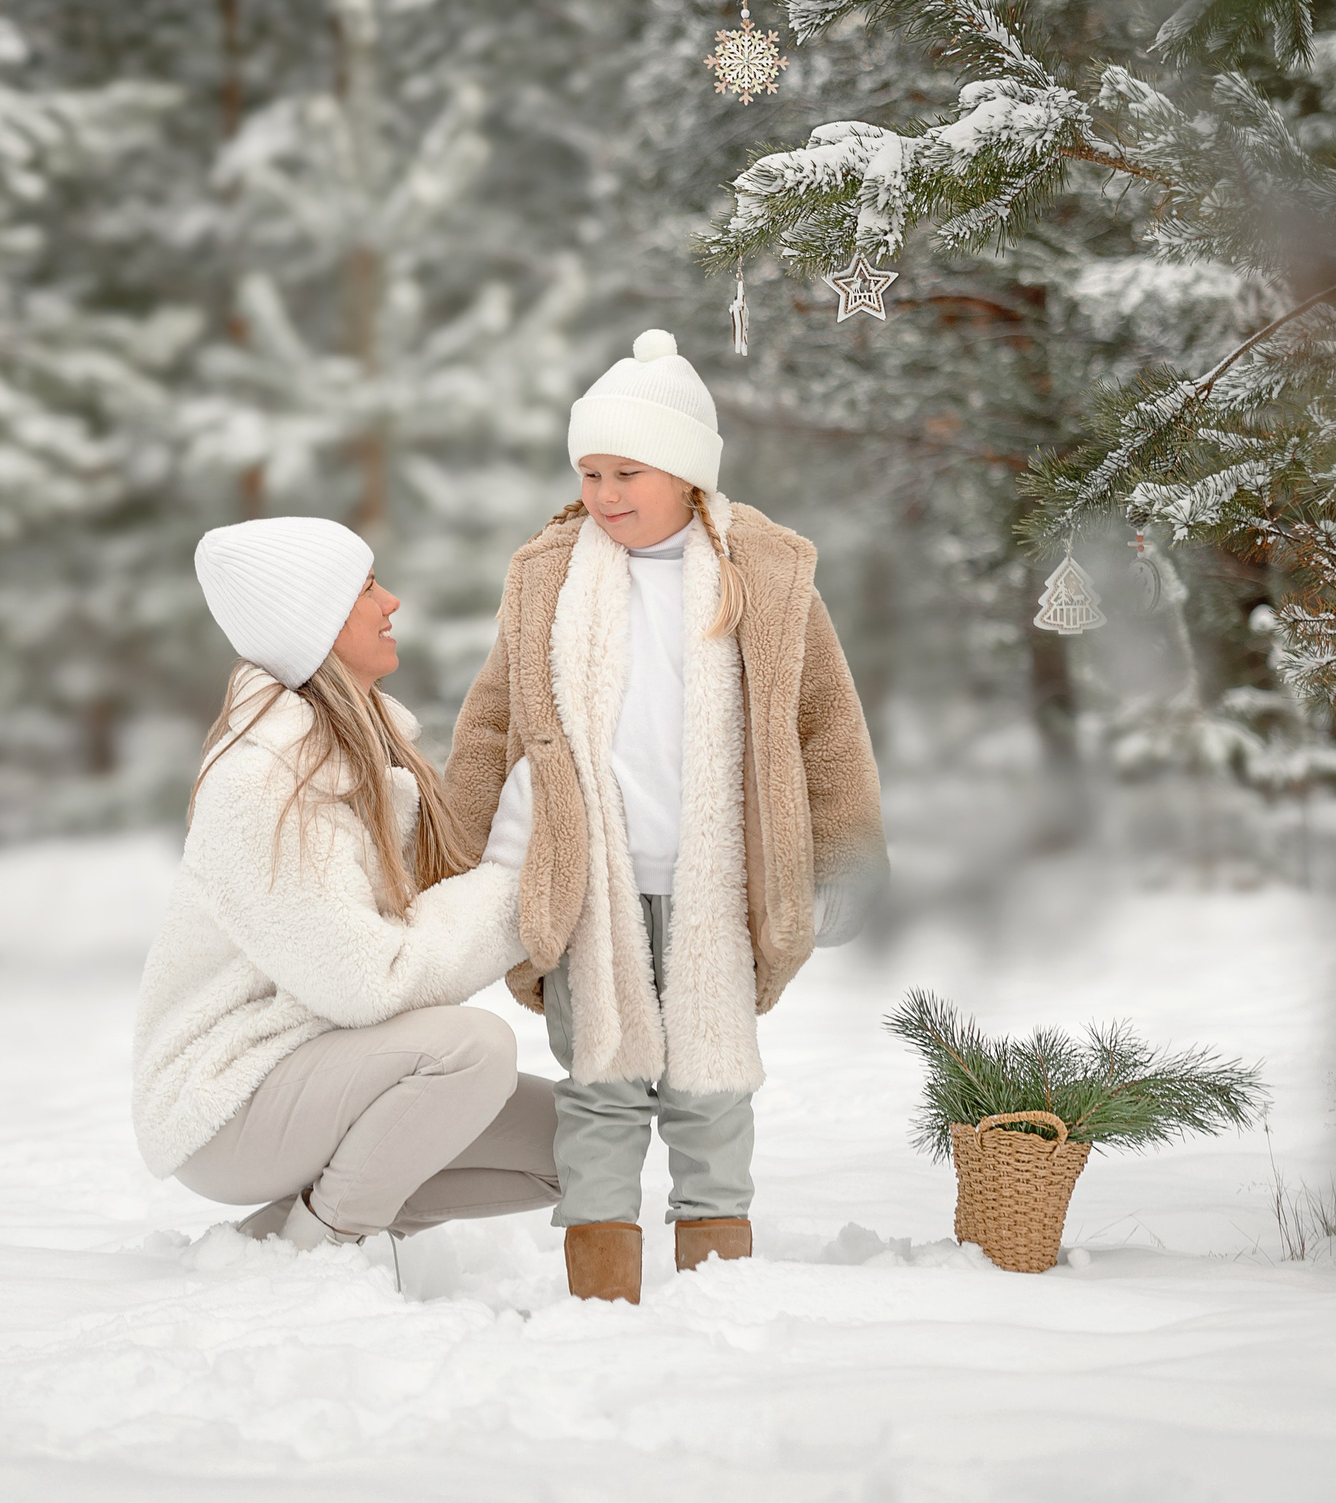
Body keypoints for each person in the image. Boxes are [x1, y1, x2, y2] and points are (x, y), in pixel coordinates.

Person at [443, 329, 887, 1302]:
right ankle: (602, 1292)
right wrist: (455, 848)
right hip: (589, 881)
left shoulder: (763, 576)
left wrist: (847, 856)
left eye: (625, 471)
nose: (603, 493)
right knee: (597, 1087)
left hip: (713, 881)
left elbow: (825, 726)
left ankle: (715, 1281)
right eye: (589, 470)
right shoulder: (549, 573)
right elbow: (491, 721)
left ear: (684, 471)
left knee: (709, 1088)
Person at [132, 516, 556, 1253]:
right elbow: (367, 978)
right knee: (470, 1048)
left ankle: (276, 1242)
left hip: (310, 1065)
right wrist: (510, 889)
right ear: (317, 620)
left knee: (579, 1145)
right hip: (225, 1097)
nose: (391, 602)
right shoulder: (263, 781)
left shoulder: (355, 754)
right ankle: (323, 1251)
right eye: (365, 588)